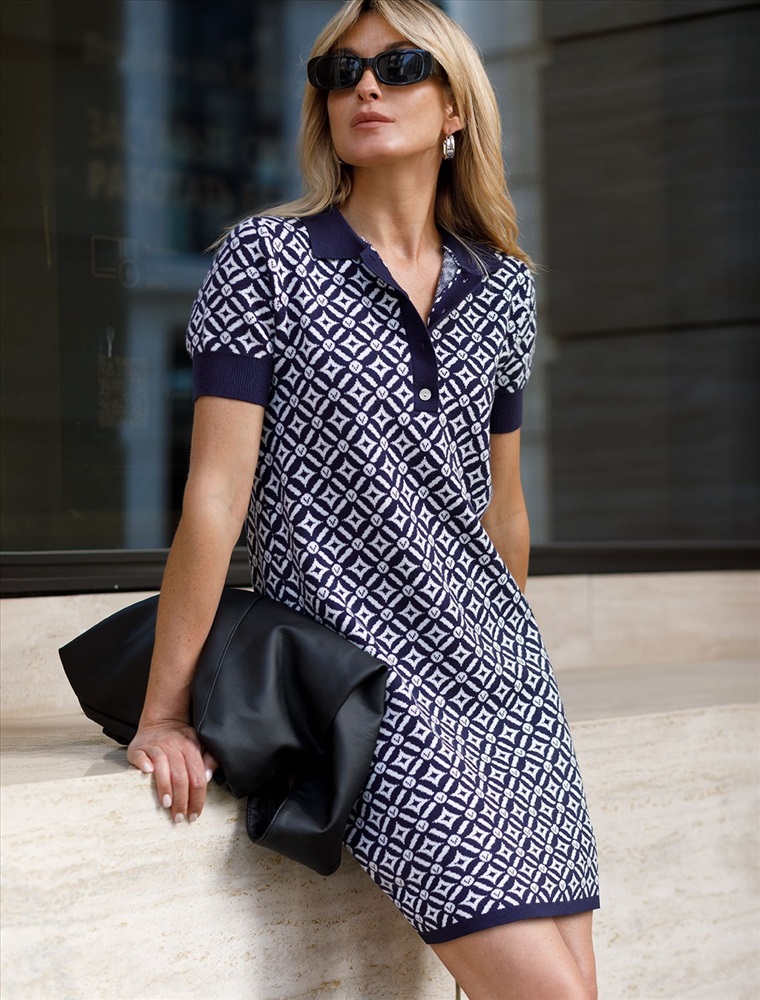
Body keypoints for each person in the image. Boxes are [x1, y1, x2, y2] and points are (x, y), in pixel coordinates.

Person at [127, 0, 600, 996]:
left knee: (576, 985)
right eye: (340, 74)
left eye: (398, 66)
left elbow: (504, 510)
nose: (366, 87)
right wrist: (164, 712)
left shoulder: (502, 288)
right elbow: (215, 496)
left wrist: (506, 673)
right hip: (364, 683)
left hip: (504, 682)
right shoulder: (265, 261)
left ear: (455, 106)